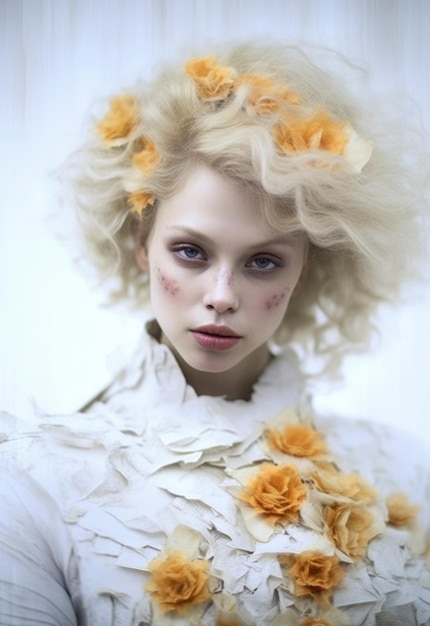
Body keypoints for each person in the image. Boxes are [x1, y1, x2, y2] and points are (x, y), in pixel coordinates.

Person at [1, 43, 429, 626]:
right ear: (140, 245)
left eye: (263, 262)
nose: (222, 295)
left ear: (307, 269)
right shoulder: (36, 481)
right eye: (190, 251)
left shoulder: (406, 469)